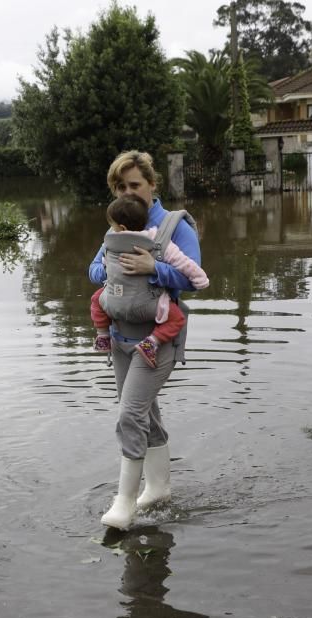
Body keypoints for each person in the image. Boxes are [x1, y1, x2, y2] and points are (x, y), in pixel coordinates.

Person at [88, 150, 203, 531]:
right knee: (144, 414)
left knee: (129, 415)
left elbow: (194, 278)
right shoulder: (118, 224)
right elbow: (93, 270)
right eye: (121, 186)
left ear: (153, 185)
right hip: (120, 338)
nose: (129, 192)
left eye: (135, 185)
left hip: (157, 340)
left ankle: (124, 502)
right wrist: (108, 265)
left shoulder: (174, 228)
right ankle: (158, 488)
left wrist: (154, 268)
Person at [90, 194, 209, 368]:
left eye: (112, 226)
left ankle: (102, 335)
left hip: (115, 301)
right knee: (176, 318)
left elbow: (100, 267)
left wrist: (112, 270)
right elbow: (184, 263)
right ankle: (151, 342)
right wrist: (200, 279)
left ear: (120, 228)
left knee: (96, 299)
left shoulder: (110, 242)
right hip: (148, 306)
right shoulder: (155, 239)